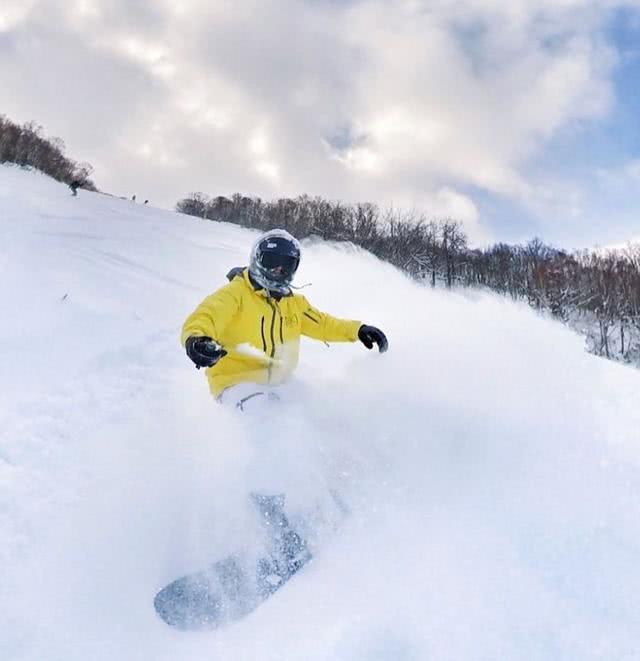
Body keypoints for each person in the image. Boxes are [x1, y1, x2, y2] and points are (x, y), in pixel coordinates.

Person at [181, 228, 388, 409]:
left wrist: (357, 330)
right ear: (257, 259)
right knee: (269, 419)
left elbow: (324, 324)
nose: (278, 270)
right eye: (272, 262)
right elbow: (206, 315)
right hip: (235, 384)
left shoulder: (294, 303)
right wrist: (197, 340)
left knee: (321, 413)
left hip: (280, 385)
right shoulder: (236, 294)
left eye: (286, 265)